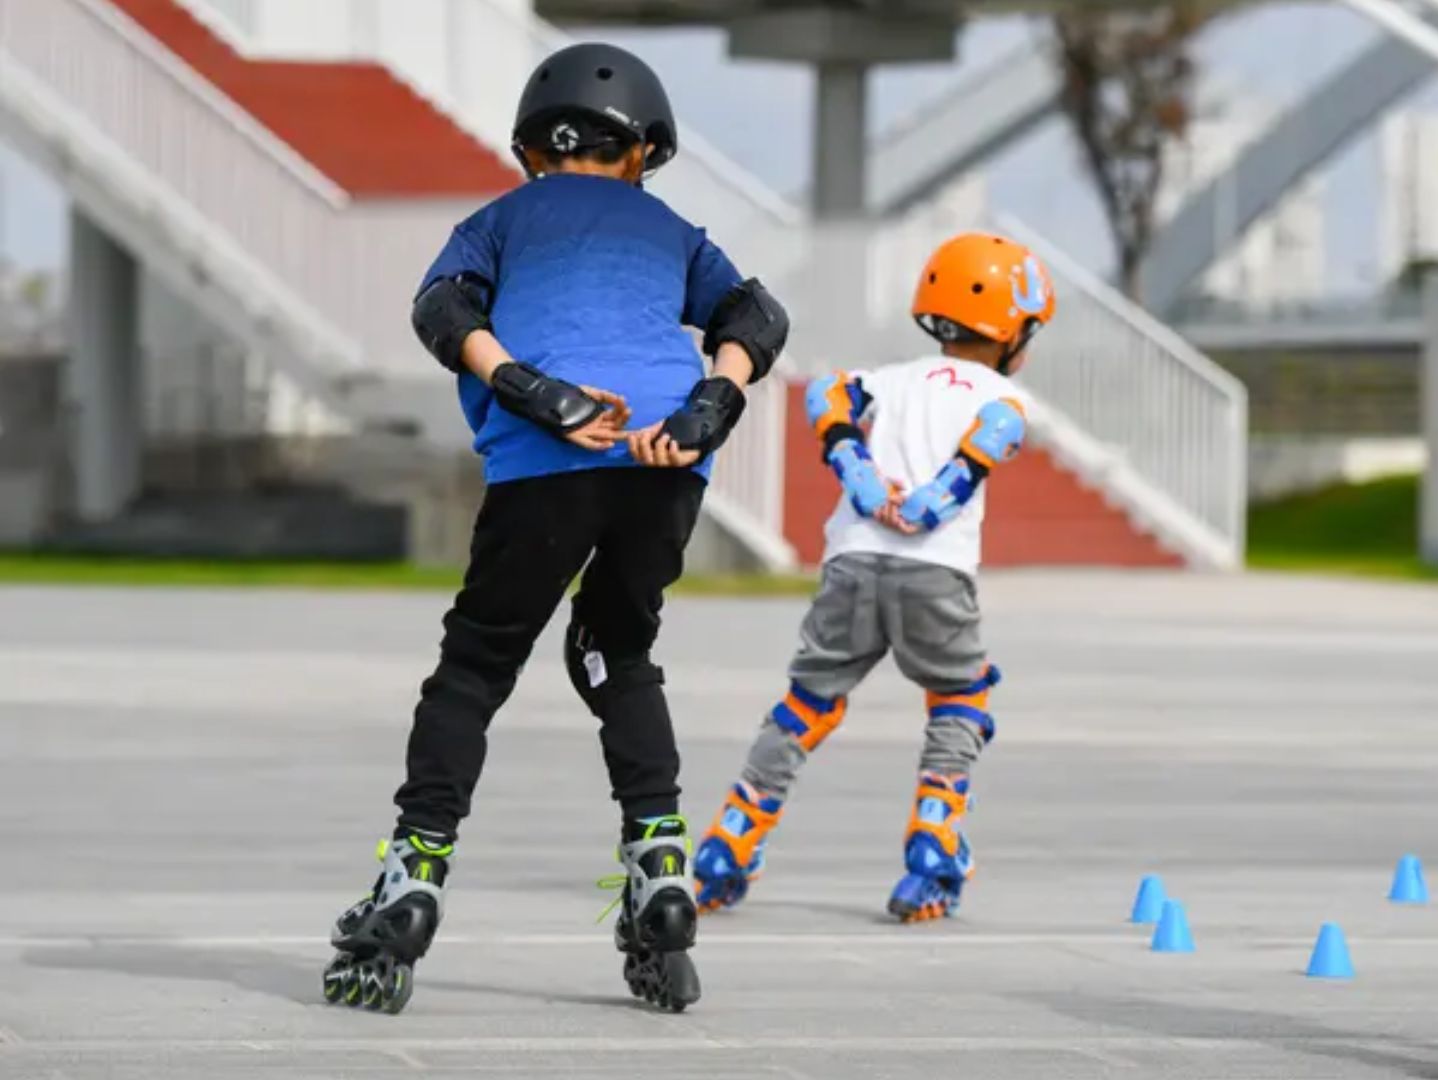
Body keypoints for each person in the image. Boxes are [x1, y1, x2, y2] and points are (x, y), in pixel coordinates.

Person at [320, 41, 789, 1016]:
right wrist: (712, 401)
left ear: (534, 148)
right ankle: (661, 868)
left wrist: (527, 386)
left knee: (477, 666)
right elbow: (755, 312)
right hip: (665, 456)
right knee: (620, 649)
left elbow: (443, 310)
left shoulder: (498, 220)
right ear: (642, 151)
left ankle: (412, 876)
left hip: (550, 458)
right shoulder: (669, 228)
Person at [689, 232, 1054, 923]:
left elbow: (827, 393)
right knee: (960, 699)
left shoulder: (894, 380)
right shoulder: (1002, 393)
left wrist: (856, 472)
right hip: (934, 570)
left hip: (851, 561)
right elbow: (997, 433)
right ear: (1011, 331)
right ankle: (933, 848)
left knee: (807, 703)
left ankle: (731, 842)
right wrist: (936, 500)